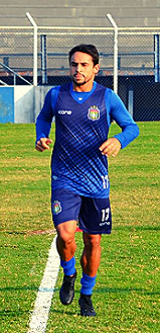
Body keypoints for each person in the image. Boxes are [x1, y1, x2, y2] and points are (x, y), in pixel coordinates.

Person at [35, 44, 139, 316]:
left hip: (96, 181)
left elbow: (132, 127)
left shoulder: (107, 98)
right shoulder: (57, 95)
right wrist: (41, 136)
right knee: (65, 234)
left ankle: (86, 295)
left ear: (95, 68)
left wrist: (118, 139)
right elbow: (44, 118)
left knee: (93, 241)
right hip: (64, 176)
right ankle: (69, 274)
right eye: (73, 64)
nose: (77, 69)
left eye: (83, 65)